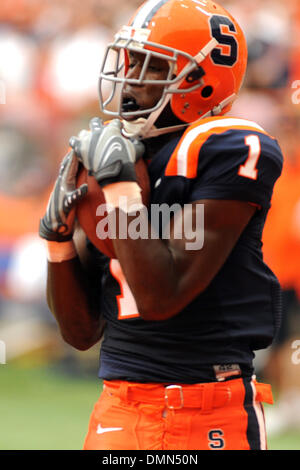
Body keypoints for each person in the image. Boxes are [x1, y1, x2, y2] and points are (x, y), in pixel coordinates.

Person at [39, 0, 283, 450]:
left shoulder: (226, 148)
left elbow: (160, 296)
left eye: (152, 66)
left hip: (207, 409)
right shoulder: (115, 157)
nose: (130, 79)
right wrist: (58, 244)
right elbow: (80, 333)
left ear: (199, 80)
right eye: (130, 61)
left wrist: (121, 191)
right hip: (118, 406)